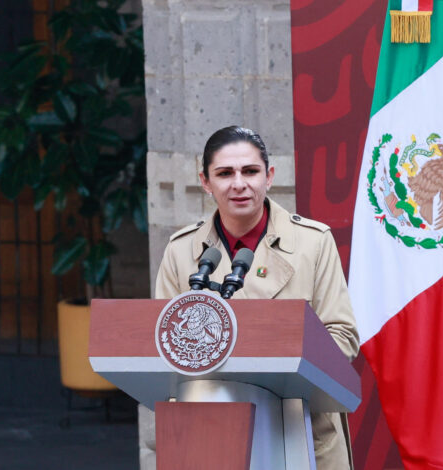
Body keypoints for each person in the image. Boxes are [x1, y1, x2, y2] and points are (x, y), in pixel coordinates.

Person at [153, 125, 359, 469]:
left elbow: (343, 337)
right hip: (212, 432)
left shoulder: (313, 242)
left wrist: (275, 368)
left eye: (250, 171)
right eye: (225, 173)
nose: (239, 184)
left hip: (301, 428)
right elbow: (165, 349)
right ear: (205, 182)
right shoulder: (181, 250)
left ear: (269, 176)